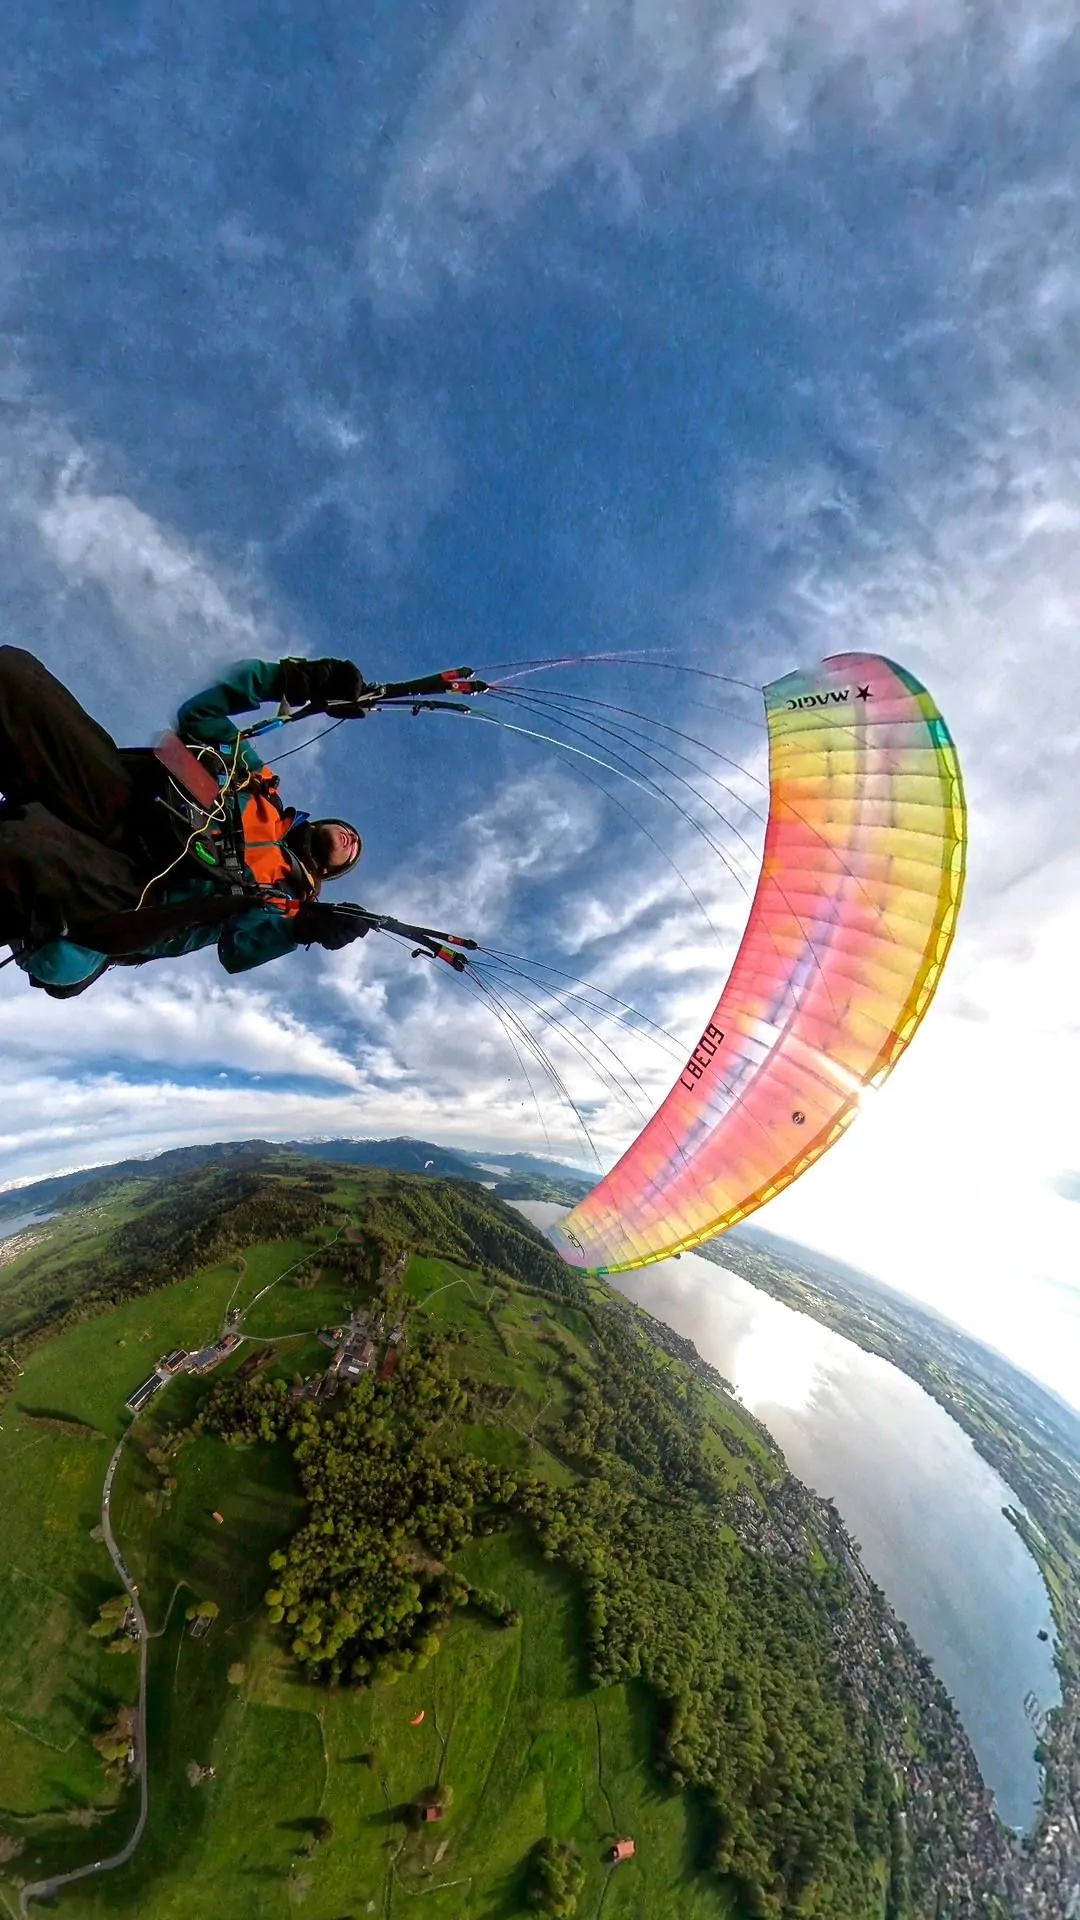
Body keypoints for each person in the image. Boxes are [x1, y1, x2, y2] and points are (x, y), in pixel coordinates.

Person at [0, 647, 373, 997]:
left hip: (141, 891)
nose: (352, 838)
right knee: (14, 678)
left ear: (328, 871)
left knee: (20, 845)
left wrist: (305, 928)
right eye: (351, 832)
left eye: (353, 851)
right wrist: (297, 679)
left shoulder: (288, 900)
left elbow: (238, 949)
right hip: (130, 802)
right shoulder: (261, 788)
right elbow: (200, 716)